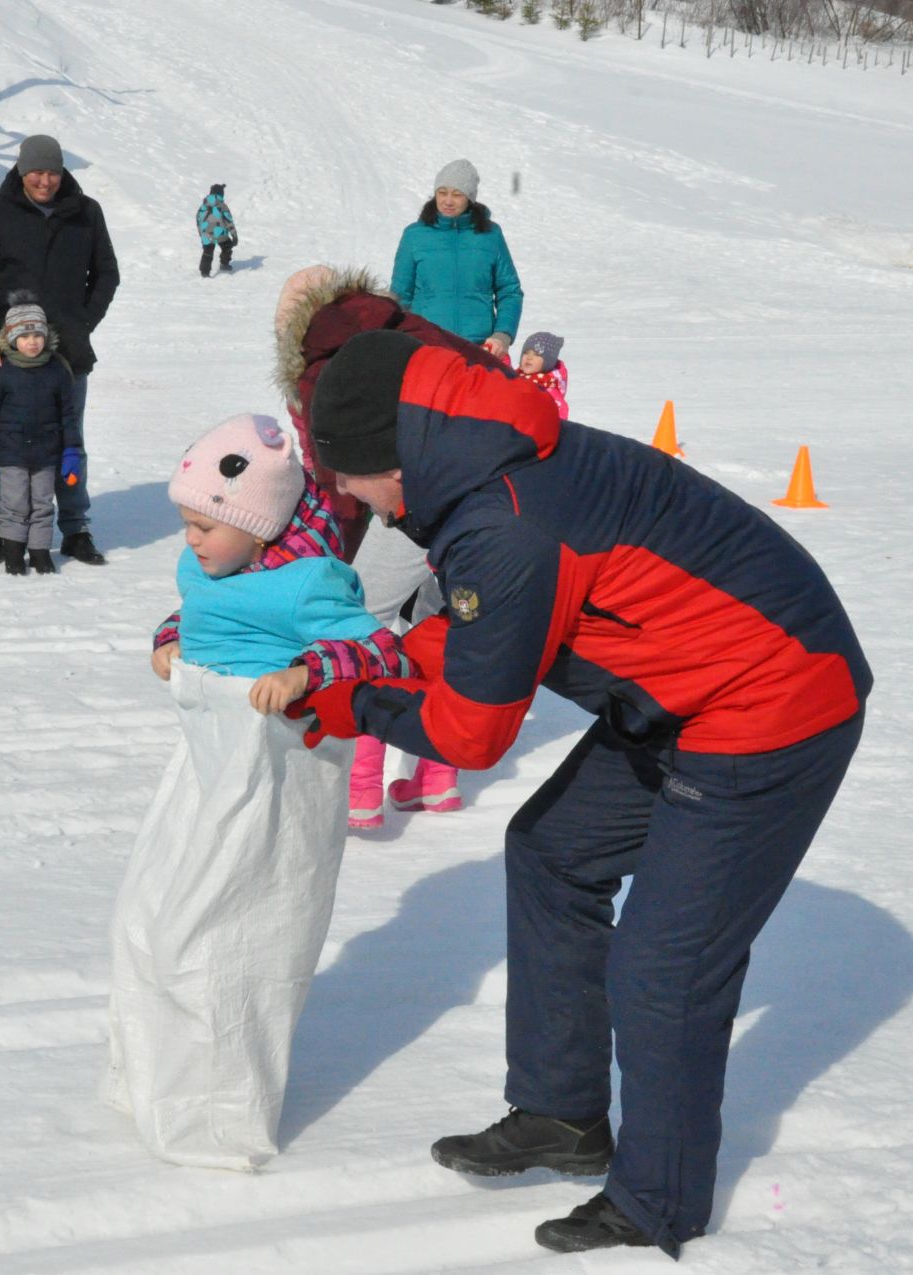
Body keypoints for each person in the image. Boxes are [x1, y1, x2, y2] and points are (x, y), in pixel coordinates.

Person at [294, 330, 871, 1259]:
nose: (349, 502)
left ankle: (658, 1202)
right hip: (686, 687)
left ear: (395, 460)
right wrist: (378, 658)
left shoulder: (507, 517)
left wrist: (353, 702)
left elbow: (472, 732)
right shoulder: (488, 468)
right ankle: (563, 1116)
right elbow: (490, 636)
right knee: (553, 852)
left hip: (776, 699)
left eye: (351, 482)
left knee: (663, 969)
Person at [104, 413, 410, 1169]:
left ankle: (217, 1116)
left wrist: (306, 673)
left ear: (258, 523)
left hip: (272, 775)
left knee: (218, 938)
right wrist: (168, 640)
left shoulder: (308, 581)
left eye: (206, 526)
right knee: (146, 922)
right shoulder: (209, 566)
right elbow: (197, 610)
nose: (192, 542)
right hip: (205, 768)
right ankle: (148, 1078)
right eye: (186, 524)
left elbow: (378, 646)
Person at [272, 264, 496, 829]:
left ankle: (361, 787)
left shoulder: (322, 366)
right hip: (473, 499)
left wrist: (334, 558)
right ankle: (437, 779)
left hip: (409, 504)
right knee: (436, 628)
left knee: (361, 624)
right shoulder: (408, 329)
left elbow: (337, 477)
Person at [0, 133, 119, 567]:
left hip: (68, 351)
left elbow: (106, 273)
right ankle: (1, 528)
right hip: (9, 352)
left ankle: (75, 529)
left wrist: (81, 322)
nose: (44, 180)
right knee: (6, 437)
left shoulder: (85, 212)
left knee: (70, 437)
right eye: (36, 171)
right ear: (20, 169)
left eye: (52, 171)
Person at [0, 302, 79, 576]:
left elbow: (69, 414)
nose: (32, 343)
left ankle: (40, 553)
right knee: (14, 506)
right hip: (11, 455)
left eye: (37, 335)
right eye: (24, 337)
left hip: (47, 453)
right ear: (11, 339)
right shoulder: (3, 371)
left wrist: (71, 452)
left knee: (43, 505)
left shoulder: (57, 369)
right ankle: (13, 554)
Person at [390, 159, 523, 360]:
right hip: (427, 347)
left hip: (479, 349)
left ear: (469, 198)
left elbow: (509, 291)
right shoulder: (414, 236)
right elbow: (400, 296)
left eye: (457, 194)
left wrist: (502, 335)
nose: (448, 201)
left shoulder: (491, 235)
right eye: (442, 192)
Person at [517, 330, 569, 417]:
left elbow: (560, 413)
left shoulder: (548, 387)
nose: (529, 357)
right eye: (526, 353)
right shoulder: (517, 376)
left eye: (537, 354)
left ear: (548, 362)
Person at [194, 183, 237, 277]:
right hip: (220, 232)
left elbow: (198, 219)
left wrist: (201, 233)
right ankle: (224, 263)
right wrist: (234, 235)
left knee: (207, 251)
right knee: (227, 246)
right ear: (221, 194)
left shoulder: (203, 206)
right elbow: (228, 220)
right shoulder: (222, 206)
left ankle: (204, 272)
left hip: (206, 234)